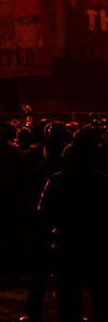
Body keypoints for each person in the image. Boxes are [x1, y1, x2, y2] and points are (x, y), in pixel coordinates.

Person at [37, 130, 108, 322]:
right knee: (100, 293)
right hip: (96, 243)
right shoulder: (102, 182)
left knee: (68, 294)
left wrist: (45, 240)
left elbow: (44, 214)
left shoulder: (58, 180)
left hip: (66, 242)